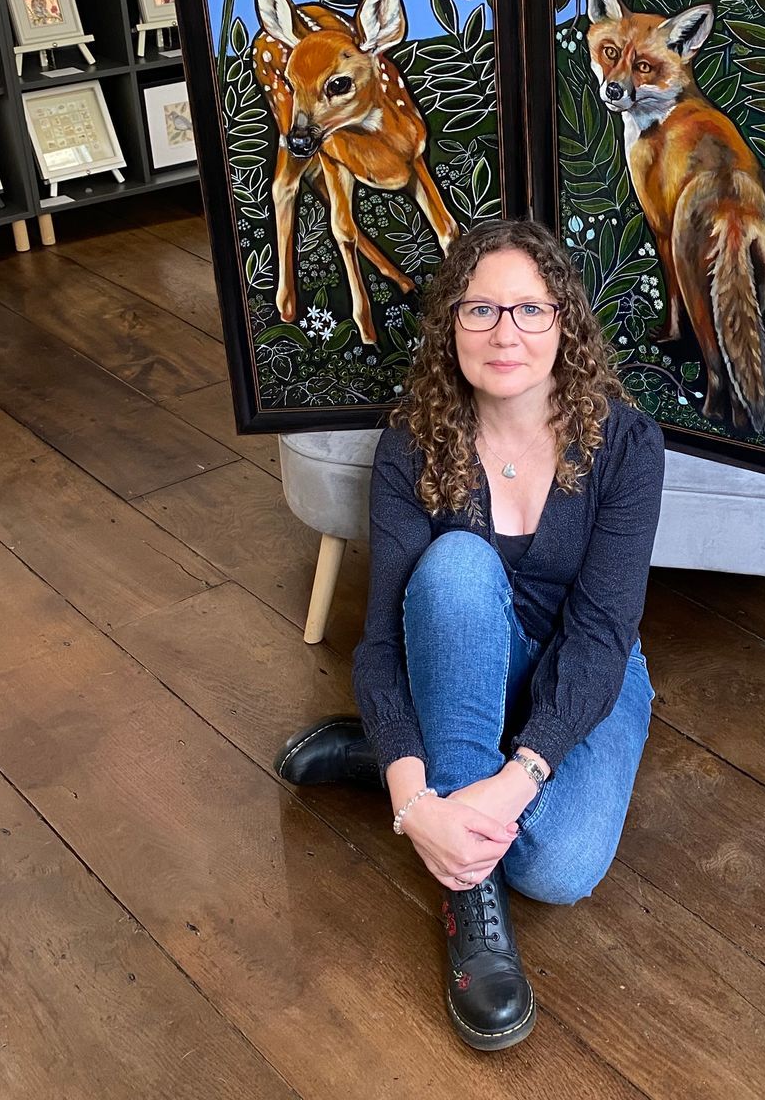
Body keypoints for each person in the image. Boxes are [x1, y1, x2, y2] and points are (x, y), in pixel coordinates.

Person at [275, 218, 665, 1052]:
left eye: (530, 310)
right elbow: (382, 638)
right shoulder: (412, 443)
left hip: (582, 669)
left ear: (565, 323)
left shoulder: (627, 445)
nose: (506, 333)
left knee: (559, 869)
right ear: (450, 325)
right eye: (480, 310)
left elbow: (601, 635)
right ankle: (469, 911)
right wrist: (424, 804)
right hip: (454, 645)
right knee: (455, 567)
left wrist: (514, 779)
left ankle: (388, 758)